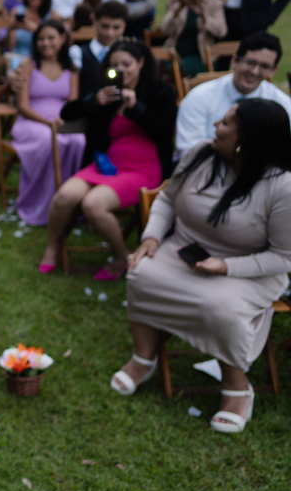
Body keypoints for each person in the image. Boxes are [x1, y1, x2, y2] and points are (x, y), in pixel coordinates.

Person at [118, 99, 291, 434]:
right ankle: (144, 358)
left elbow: (284, 257)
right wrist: (152, 237)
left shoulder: (282, 186)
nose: (216, 126)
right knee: (141, 272)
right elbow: (167, 199)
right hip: (184, 250)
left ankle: (236, 386)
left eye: (225, 123)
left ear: (246, 140)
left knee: (220, 307)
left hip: (250, 269)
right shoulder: (201, 153)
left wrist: (225, 267)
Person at [40, 40, 177, 279]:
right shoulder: (108, 93)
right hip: (108, 164)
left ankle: (121, 256)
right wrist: (93, 101)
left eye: (127, 64)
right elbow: (66, 112)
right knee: (64, 196)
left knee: (93, 204)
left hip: (144, 168)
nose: (121, 70)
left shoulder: (160, 92)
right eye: (115, 66)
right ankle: (53, 246)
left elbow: (165, 132)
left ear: (140, 63)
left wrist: (136, 108)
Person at [6, 20, 86, 227]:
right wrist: (48, 122)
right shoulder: (28, 65)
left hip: (61, 120)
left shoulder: (72, 69)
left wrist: (62, 122)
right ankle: (40, 203)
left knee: (79, 141)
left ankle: (71, 203)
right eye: (41, 39)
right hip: (31, 121)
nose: (45, 43)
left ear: (62, 39)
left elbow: (72, 103)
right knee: (50, 141)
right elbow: (22, 106)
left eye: (51, 38)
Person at [175, 31, 291, 159]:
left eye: (265, 66)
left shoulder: (282, 104)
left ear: (273, 70)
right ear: (235, 61)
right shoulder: (199, 97)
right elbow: (188, 152)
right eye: (250, 62)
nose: (255, 71)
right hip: (206, 168)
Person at [161, 0, 228, 77]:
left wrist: (202, 14)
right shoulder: (177, 2)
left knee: (179, 68)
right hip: (175, 52)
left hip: (201, 57)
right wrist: (179, 8)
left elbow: (221, 32)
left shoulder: (214, 4)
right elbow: (165, 29)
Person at [69, 1, 128, 92]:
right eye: (105, 26)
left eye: (116, 27)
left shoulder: (129, 53)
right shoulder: (78, 53)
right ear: (94, 21)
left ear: (123, 26)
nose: (110, 33)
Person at [0, 0, 53, 69]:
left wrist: (35, 29)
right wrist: (11, 29)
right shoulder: (17, 12)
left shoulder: (51, 15)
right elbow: (11, 46)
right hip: (19, 59)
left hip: (44, 59)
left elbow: (54, 43)